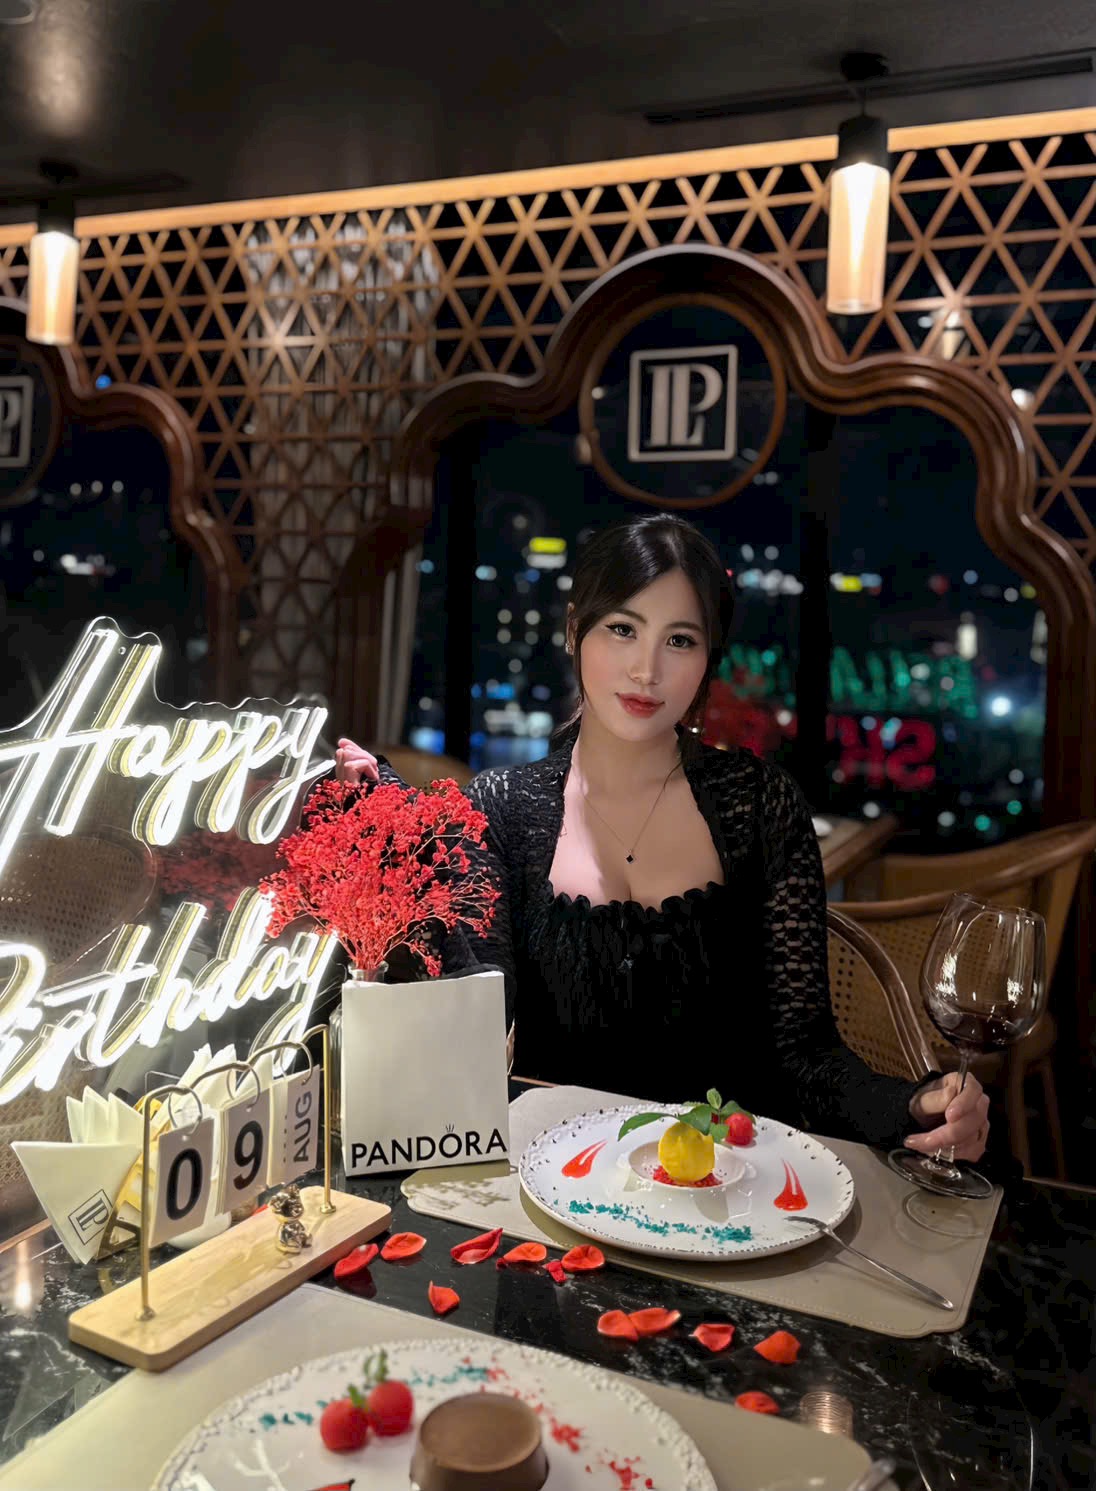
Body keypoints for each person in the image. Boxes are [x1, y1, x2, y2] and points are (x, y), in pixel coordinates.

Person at [337, 513, 990, 1160]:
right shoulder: (501, 808)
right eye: (622, 629)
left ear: (708, 659)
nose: (646, 669)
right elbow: (476, 1018)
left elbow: (807, 1056)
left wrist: (914, 1105)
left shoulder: (759, 805)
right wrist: (399, 833)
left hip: (739, 1185)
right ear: (575, 630)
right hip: (559, 1178)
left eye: (679, 640)